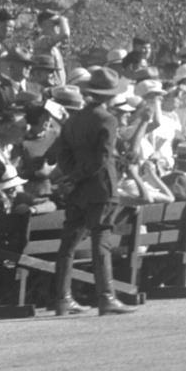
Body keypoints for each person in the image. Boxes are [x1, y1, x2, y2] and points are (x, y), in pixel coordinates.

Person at [43, 68, 138, 316]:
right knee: (101, 240)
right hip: (100, 187)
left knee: (69, 244)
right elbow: (101, 158)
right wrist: (77, 176)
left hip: (78, 191)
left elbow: (62, 153)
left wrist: (71, 177)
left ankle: (63, 298)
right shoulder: (107, 119)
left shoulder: (73, 120)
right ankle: (106, 297)